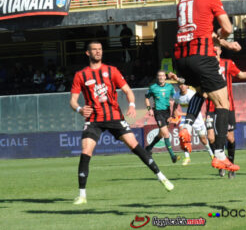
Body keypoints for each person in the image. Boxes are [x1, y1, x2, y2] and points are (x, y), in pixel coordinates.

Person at [69, 41, 173, 205]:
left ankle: (162, 177)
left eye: (100, 49)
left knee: (135, 146)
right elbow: (73, 101)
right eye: (94, 50)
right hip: (94, 120)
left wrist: (131, 105)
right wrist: (79, 110)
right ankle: (82, 195)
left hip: (115, 117)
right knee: (85, 150)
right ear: (88, 53)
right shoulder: (80, 75)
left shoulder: (112, 71)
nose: (98, 52)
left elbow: (127, 91)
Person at [172, 0, 240, 173]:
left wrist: (224, 45)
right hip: (202, 57)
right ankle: (220, 155)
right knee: (223, 103)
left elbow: (198, 30)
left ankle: (186, 126)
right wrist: (223, 36)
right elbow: (227, 27)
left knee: (202, 92)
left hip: (181, 58)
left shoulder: (182, 1)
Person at [205, 45, 246, 178]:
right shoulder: (204, 65)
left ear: (220, 51)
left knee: (230, 138)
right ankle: (220, 160)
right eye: (212, 49)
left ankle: (230, 164)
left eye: (217, 49)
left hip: (228, 106)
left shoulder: (227, 63)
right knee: (210, 137)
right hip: (210, 107)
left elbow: (241, 74)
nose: (215, 51)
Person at [173, 81, 213, 165]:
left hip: (196, 117)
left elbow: (195, 110)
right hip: (185, 118)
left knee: (203, 139)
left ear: (187, 85)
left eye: (184, 84)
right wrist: (174, 114)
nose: (182, 86)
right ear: (178, 86)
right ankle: (187, 157)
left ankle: (212, 154)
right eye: (180, 84)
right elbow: (175, 104)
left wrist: (180, 113)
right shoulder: (176, 95)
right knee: (183, 134)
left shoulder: (192, 95)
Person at [144, 70, 179, 164]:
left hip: (167, 112)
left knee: (161, 134)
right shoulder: (153, 87)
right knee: (166, 134)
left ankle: (149, 148)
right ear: (157, 77)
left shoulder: (170, 87)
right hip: (158, 112)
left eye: (162, 76)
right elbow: (146, 97)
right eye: (159, 76)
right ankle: (172, 156)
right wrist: (149, 109)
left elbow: (176, 98)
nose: (161, 77)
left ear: (165, 77)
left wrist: (175, 110)